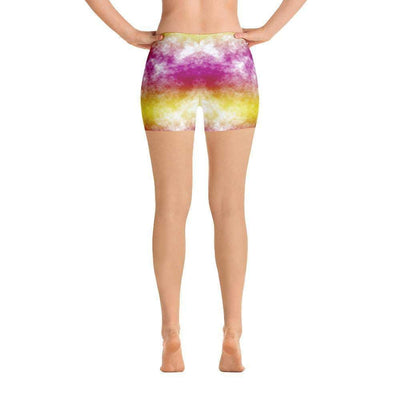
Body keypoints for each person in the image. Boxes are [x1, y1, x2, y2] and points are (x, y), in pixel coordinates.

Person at [85, 0, 307, 372]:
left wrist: (129, 33)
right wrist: (269, 29)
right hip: (230, 58)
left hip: (170, 58)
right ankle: (232, 333)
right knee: (230, 206)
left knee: (170, 206)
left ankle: (171, 334)